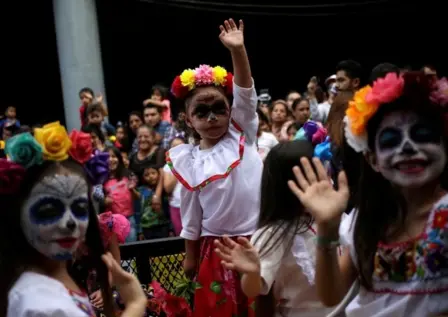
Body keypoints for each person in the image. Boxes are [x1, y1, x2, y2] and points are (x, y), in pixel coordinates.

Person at [288, 72, 448, 317]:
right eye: (390, 140)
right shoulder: (368, 218)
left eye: (422, 135)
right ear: (372, 159)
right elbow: (331, 295)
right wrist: (327, 228)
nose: (408, 147)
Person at [0, 122, 146, 317]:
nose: (70, 222)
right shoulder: (39, 302)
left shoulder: (55, 281)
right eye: (50, 211)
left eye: (80, 208)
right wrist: (136, 304)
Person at [167, 19, 261, 316]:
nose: (212, 118)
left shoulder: (241, 132)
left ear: (230, 110)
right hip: (215, 251)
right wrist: (190, 259)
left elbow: (245, 91)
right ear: (188, 119)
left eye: (219, 108)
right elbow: (191, 216)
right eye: (202, 111)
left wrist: (238, 50)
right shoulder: (188, 161)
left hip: (258, 242)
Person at [214, 141, 336, 317]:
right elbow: (254, 290)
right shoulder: (273, 233)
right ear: (292, 185)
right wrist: (253, 273)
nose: (328, 181)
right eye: (316, 175)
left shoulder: (334, 217)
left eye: (326, 172)